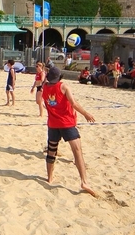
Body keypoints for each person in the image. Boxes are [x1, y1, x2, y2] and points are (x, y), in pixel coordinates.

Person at [41, 66, 96, 196]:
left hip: (53, 124)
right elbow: (73, 103)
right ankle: (84, 181)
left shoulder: (45, 88)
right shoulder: (63, 86)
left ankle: (49, 177)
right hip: (67, 123)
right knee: (77, 151)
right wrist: (86, 114)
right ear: (59, 77)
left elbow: (46, 102)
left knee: (51, 151)